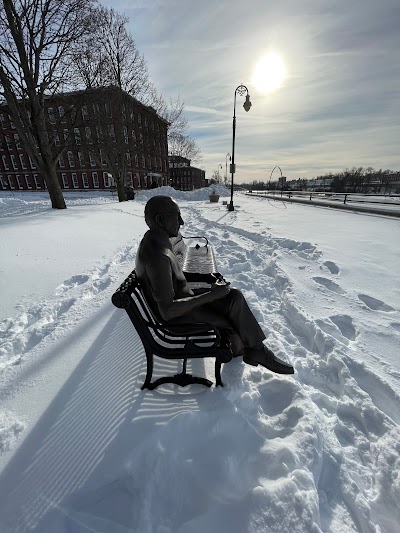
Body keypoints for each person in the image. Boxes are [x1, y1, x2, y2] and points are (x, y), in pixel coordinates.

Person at [135, 195, 294, 374]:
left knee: (234, 297)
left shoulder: (156, 241)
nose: (182, 222)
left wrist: (208, 277)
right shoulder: (158, 256)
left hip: (184, 302)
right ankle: (255, 352)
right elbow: (167, 310)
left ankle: (255, 350)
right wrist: (211, 295)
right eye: (177, 216)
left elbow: (173, 276)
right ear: (160, 220)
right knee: (230, 312)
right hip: (177, 318)